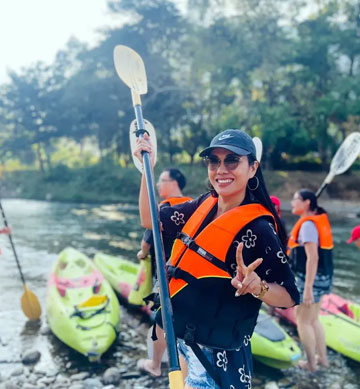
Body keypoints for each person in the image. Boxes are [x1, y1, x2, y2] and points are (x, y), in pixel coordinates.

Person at [134, 129, 299, 388]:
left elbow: (289, 296)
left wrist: (258, 287)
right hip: (185, 337)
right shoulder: (204, 204)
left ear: (253, 168)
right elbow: (150, 221)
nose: (221, 169)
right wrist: (147, 170)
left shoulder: (258, 229)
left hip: (217, 353)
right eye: (214, 161)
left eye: (232, 160)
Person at [136, 167, 191, 378]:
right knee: (184, 322)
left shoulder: (164, 208)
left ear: (174, 182)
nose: (158, 185)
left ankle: (156, 365)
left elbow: (147, 242)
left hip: (168, 275)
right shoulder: (193, 206)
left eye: (161, 180)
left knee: (161, 319)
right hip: (190, 275)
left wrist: (141, 253)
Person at [288, 189, 333, 372]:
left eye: (295, 199)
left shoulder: (307, 225)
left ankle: (311, 365)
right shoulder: (318, 220)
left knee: (303, 321)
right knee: (314, 320)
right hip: (323, 277)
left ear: (306, 203)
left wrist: (307, 288)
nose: (292, 202)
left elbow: (312, 257)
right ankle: (322, 360)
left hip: (310, 280)